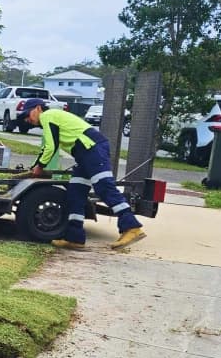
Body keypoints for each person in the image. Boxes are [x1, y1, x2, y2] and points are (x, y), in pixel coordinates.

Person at [17, 98, 146, 249]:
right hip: (84, 154)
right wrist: (36, 165)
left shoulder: (48, 115)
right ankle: (75, 237)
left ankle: (131, 227)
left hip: (92, 149)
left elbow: (51, 147)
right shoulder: (50, 119)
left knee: (104, 187)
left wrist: (39, 167)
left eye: (28, 114)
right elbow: (48, 146)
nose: (27, 119)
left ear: (38, 108)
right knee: (76, 193)